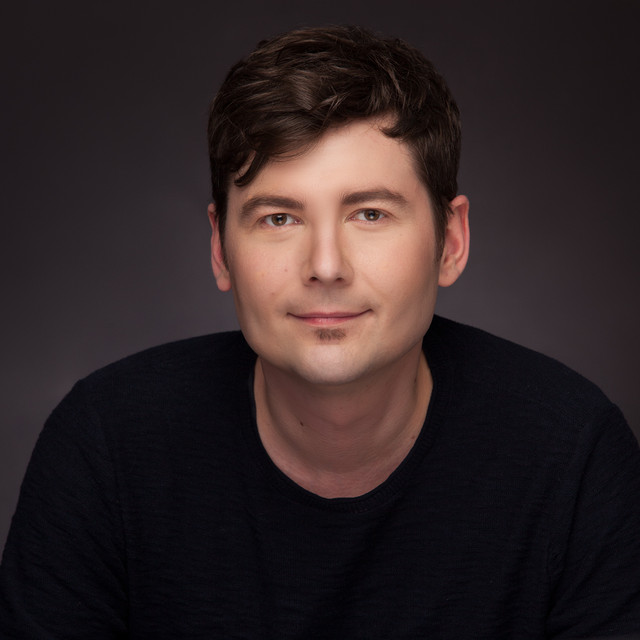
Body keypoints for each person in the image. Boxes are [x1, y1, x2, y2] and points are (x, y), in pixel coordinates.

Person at [1, 25, 639, 639]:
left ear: (451, 242)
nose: (326, 266)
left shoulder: (573, 457)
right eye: (279, 218)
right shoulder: (105, 447)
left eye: (370, 213)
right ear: (221, 251)